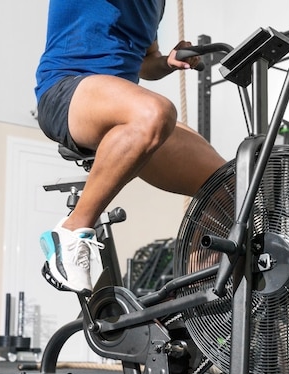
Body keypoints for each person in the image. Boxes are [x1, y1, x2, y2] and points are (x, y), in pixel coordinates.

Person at [34, 0, 226, 294]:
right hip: (67, 93)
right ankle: (71, 233)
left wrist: (167, 62)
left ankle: (200, 300)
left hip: (123, 109)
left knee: (228, 186)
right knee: (155, 112)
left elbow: (145, 61)